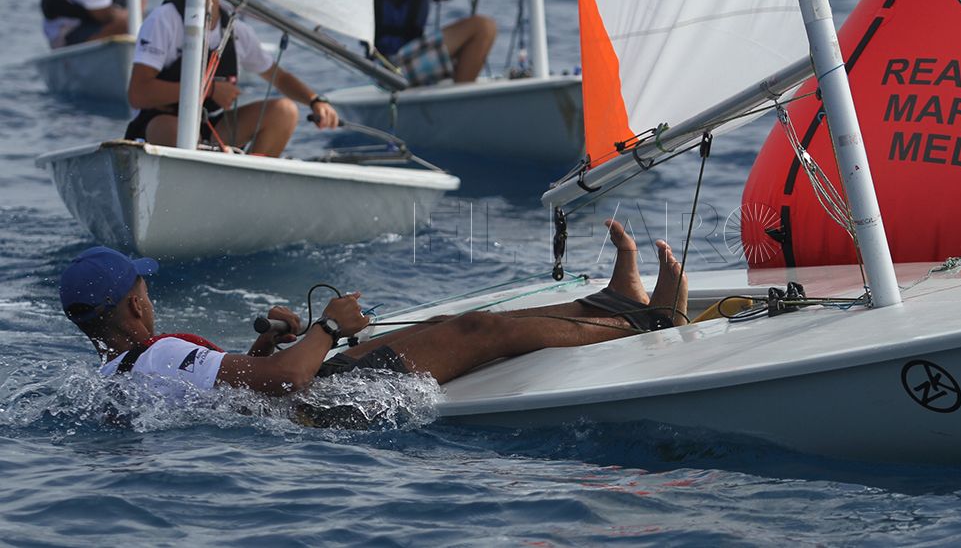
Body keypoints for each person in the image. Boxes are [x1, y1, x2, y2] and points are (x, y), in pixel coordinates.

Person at [59, 220, 688, 404]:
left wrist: (269, 348)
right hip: (318, 408)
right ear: (135, 300)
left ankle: (608, 302)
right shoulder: (160, 352)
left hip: (311, 404)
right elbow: (286, 385)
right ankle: (649, 322)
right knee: (478, 329)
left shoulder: (123, 371)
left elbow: (242, 387)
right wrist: (328, 327)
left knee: (447, 330)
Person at [124, 0, 339, 158]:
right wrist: (210, 90)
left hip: (210, 126)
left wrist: (315, 101)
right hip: (161, 125)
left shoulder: (236, 31)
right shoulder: (164, 20)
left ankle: (249, 181)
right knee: (180, 134)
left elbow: (280, 78)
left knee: (284, 112)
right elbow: (138, 94)